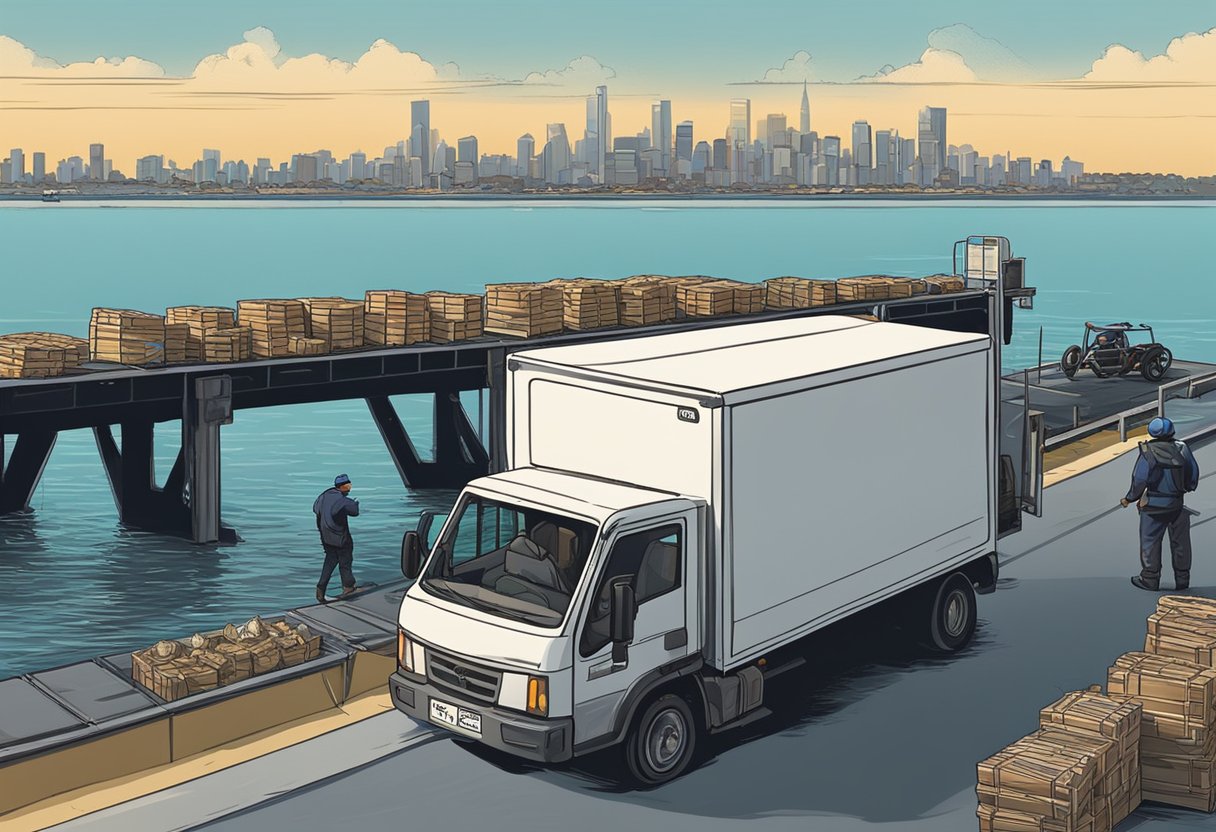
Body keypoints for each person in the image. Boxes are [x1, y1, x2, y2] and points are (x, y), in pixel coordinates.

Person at [1120, 417, 1200, 591]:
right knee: (1181, 543)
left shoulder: (1147, 451)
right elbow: (1192, 474)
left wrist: (1129, 498)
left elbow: (1140, 479)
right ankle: (1182, 579)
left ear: (1151, 432)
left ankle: (1150, 579)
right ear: (1171, 431)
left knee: (1150, 541)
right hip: (1177, 504)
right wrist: (1186, 487)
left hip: (1153, 506)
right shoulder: (1182, 448)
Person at [313, 474, 361, 603]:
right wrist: (355, 503)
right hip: (341, 538)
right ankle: (348, 587)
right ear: (343, 486)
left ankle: (321, 588)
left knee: (330, 562)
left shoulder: (323, 496)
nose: (350, 488)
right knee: (345, 562)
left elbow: (315, 509)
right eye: (349, 486)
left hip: (326, 537)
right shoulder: (341, 500)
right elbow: (354, 512)